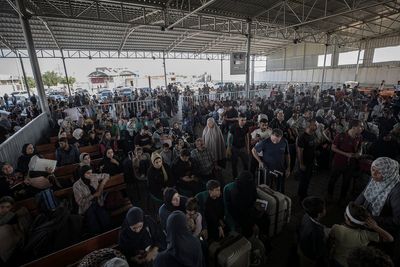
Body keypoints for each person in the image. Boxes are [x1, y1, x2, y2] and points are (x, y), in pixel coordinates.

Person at [355, 157, 400, 264]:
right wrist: (354, 206)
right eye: (372, 169)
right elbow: (364, 193)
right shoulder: (375, 178)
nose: (373, 174)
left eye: (378, 172)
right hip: (368, 221)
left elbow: (397, 221)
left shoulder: (397, 192)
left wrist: (372, 219)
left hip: (381, 228)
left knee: (373, 252)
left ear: (388, 174)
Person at [329, 202, 393, 267]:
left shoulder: (336, 228)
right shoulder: (365, 235)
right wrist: (375, 227)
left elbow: (330, 245)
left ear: (347, 218)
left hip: (337, 261)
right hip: (354, 264)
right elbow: (390, 239)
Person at [327, 119, 363, 202]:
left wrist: (359, 153)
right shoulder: (341, 136)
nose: (362, 128)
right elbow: (333, 148)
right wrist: (346, 154)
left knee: (346, 182)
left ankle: (342, 198)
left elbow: (360, 147)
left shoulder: (359, 137)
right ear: (353, 127)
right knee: (333, 179)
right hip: (339, 162)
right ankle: (329, 195)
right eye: (360, 126)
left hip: (351, 164)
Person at [72, 165, 111, 234]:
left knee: (104, 217)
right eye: (88, 173)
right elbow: (80, 202)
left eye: (91, 172)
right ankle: (96, 237)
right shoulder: (76, 185)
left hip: (98, 202)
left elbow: (107, 175)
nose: (90, 175)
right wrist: (93, 196)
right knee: (92, 220)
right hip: (87, 207)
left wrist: (102, 185)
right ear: (82, 173)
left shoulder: (94, 176)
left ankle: (109, 234)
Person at [252, 128, 290, 193]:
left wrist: (288, 168)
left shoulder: (284, 141)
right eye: (274, 140)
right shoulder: (265, 142)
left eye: (277, 141)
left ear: (281, 137)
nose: (275, 142)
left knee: (280, 189)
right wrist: (260, 161)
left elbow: (287, 154)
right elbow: (253, 150)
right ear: (271, 135)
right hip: (268, 169)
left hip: (280, 169)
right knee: (268, 189)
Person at [297, 196, 328, 267]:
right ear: (319, 214)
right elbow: (318, 249)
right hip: (308, 256)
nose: (325, 209)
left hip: (301, 247)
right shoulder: (317, 231)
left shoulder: (306, 216)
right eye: (324, 208)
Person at [296, 119, 317, 201]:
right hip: (304, 162)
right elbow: (300, 151)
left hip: (311, 161)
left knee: (308, 179)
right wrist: (301, 163)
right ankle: (301, 196)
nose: (315, 126)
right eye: (314, 125)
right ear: (309, 126)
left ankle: (304, 193)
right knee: (303, 180)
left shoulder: (312, 135)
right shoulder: (302, 137)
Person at [228, 113, 249, 178]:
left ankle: (245, 176)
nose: (244, 122)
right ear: (238, 119)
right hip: (234, 148)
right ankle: (235, 177)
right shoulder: (233, 127)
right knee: (234, 164)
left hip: (243, 147)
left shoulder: (246, 126)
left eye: (245, 120)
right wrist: (228, 148)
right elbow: (229, 137)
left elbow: (247, 137)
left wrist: (248, 148)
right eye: (242, 120)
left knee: (246, 163)